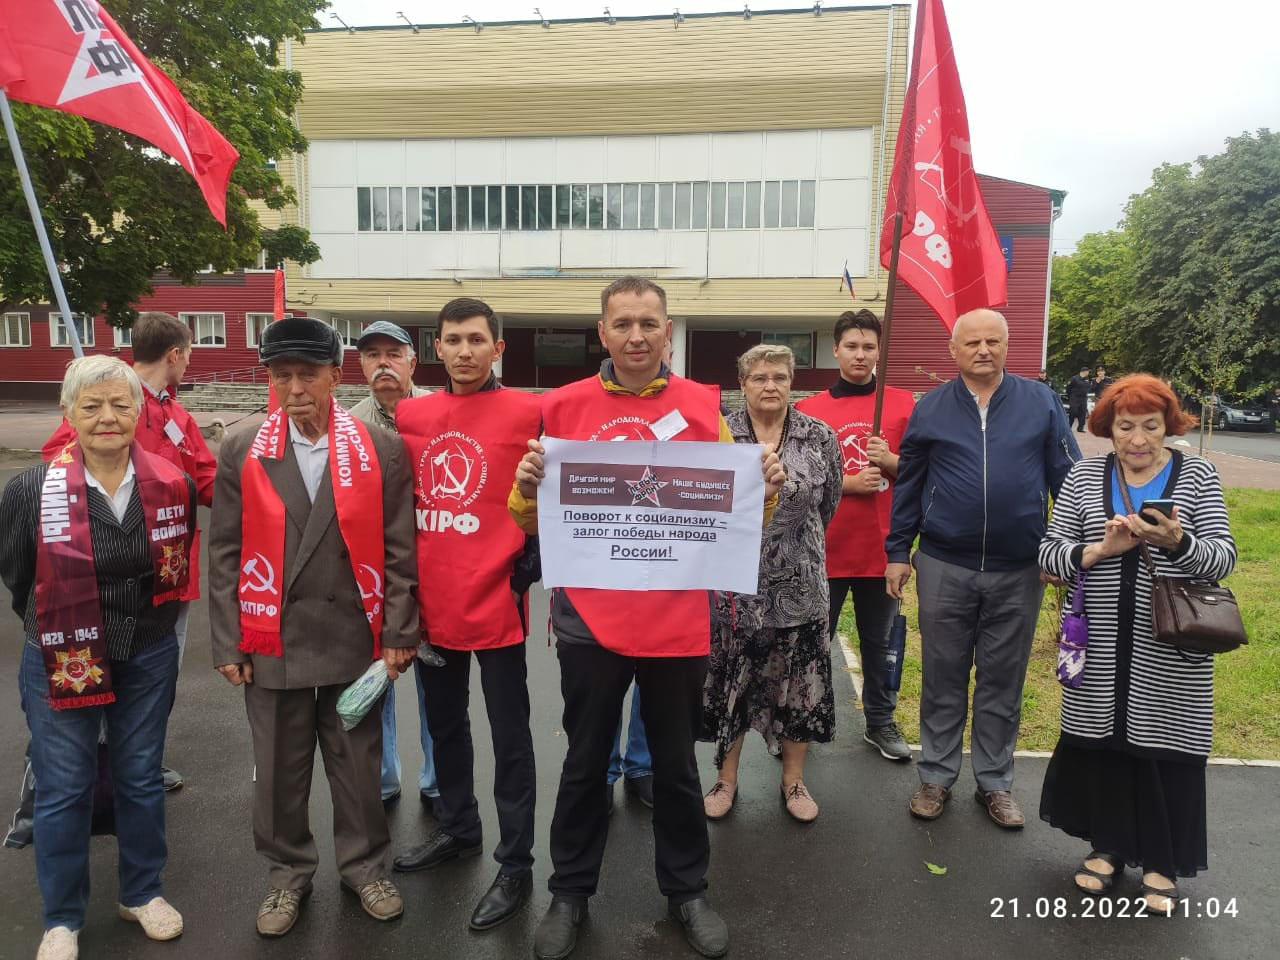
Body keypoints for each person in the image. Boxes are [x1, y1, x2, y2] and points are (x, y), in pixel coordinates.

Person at [509, 276, 784, 960]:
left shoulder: (700, 405)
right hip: (589, 622)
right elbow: (526, 518)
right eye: (623, 323)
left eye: (649, 323)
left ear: (668, 332)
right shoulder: (562, 407)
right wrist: (524, 488)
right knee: (584, 762)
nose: (637, 335)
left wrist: (767, 492)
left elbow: (733, 512)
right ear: (601, 333)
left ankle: (687, 891)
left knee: (675, 768)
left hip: (676, 619)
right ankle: (569, 892)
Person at [208, 317, 419, 937]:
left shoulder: (379, 447)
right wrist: (229, 640)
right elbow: (223, 552)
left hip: (355, 634)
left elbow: (399, 547)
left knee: (358, 763)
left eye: (307, 374)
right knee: (276, 769)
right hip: (269, 634)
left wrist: (399, 631)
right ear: (270, 378)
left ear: (334, 375)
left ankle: (365, 868)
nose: (295, 387)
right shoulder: (243, 445)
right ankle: (285, 876)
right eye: (282, 375)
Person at [2, 355, 196, 960]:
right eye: (91, 406)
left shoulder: (171, 481)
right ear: (68, 414)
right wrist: (63, 623)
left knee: (140, 774)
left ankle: (142, 892)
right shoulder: (30, 490)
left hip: (146, 650)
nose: (107, 417)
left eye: (120, 404)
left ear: (139, 412)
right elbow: (16, 574)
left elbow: (173, 569)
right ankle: (61, 917)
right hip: (59, 653)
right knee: (65, 785)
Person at [1037, 374, 1235, 912]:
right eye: (1126, 427)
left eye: (1151, 426)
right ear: (1109, 429)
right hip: (1099, 645)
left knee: (1166, 751)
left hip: (1170, 647)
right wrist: (1100, 550)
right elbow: (1049, 557)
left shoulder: (1197, 475)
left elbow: (1223, 557)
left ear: (1169, 427)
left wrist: (1178, 540)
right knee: (1106, 745)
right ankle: (1108, 847)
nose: (1139, 440)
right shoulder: (1083, 476)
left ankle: (1162, 863)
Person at [885, 309, 1079, 829]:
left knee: (1002, 677)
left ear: (1007, 345)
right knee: (942, 675)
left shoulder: (1040, 402)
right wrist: (898, 552)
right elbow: (908, 485)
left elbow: (1071, 477)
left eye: (994, 340)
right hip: (945, 562)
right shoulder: (932, 409)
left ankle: (995, 782)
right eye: (973, 342)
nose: (984, 350)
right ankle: (936, 776)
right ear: (954, 350)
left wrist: (1065, 547)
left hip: (1021, 567)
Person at [391, 298, 543, 932]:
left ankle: (515, 862)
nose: (464, 351)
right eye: (452, 340)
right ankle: (459, 828)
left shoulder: (531, 410)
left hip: (498, 600)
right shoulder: (411, 414)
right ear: (438, 348)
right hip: (433, 604)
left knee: (510, 738)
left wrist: (525, 567)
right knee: (445, 728)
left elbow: (559, 495)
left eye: (476, 340)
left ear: (498, 347)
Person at [41, 312, 216, 793]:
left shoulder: (177, 415)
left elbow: (207, 480)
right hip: (94, 579)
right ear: (175, 355)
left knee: (155, 685)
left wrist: (264, 491)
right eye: (190, 356)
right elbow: (55, 465)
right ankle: (94, 774)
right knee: (92, 678)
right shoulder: (104, 400)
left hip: (167, 579)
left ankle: (143, 763)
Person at [702, 344, 841, 823]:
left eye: (780, 377)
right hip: (735, 590)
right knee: (733, 687)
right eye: (759, 377)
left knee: (800, 687)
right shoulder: (719, 434)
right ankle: (726, 779)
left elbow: (829, 505)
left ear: (791, 382)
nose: (770, 386)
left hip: (802, 588)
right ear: (742, 384)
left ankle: (794, 781)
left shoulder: (818, 436)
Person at [796, 309, 915, 761]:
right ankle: (797, 724)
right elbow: (796, 479)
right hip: (821, 551)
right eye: (851, 346)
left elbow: (924, 475)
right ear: (836, 350)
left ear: (879, 351)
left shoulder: (904, 405)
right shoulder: (808, 411)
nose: (860, 354)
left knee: (880, 644)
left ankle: (880, 722)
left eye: (868, 347)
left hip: (882, 551)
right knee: (810, 643)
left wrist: (891, 463)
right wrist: (845, 482)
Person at [347, 320, 438, 808]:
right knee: (374, 681)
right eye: (371, 355)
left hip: (433, 565)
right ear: (361, 365)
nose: (383, 363)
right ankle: (381, 779)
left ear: (411, 361)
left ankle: (438, 781)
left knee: (436, 686)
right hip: (372, 574)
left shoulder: (438, 412)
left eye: (392, 353)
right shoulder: (348, 424)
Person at [1066, 366, 1092, 433]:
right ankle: (1069, 427)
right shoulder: (1074, 378)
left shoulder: (1087, 379)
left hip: (1083, 398)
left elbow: (1088, 387)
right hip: (1075, 398)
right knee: (1073, 412)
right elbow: (1068, 388)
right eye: (1088, 371)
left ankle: (1080, 428)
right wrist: (1070, 397)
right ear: (1083, 372)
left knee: (1082, 413)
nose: (1088, 373)